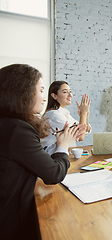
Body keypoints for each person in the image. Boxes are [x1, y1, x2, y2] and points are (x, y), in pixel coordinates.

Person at [0, 64, 85, 240]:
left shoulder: (8, 123)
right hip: (11, 222)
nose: (44, 98)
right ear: (22, 93)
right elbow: (53, 174)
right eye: (40, 90)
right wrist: (63, 145)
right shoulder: (18, 130)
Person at [41, 81, 91, 155]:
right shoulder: (53, 114)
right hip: (54, 157)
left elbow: (87, 129)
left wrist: (84, 116)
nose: (70, 95)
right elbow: (80, 136)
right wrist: (83, 114)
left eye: (70, 92)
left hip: (65, 155)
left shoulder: (65, 113)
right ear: (54, 96)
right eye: (65, 92)